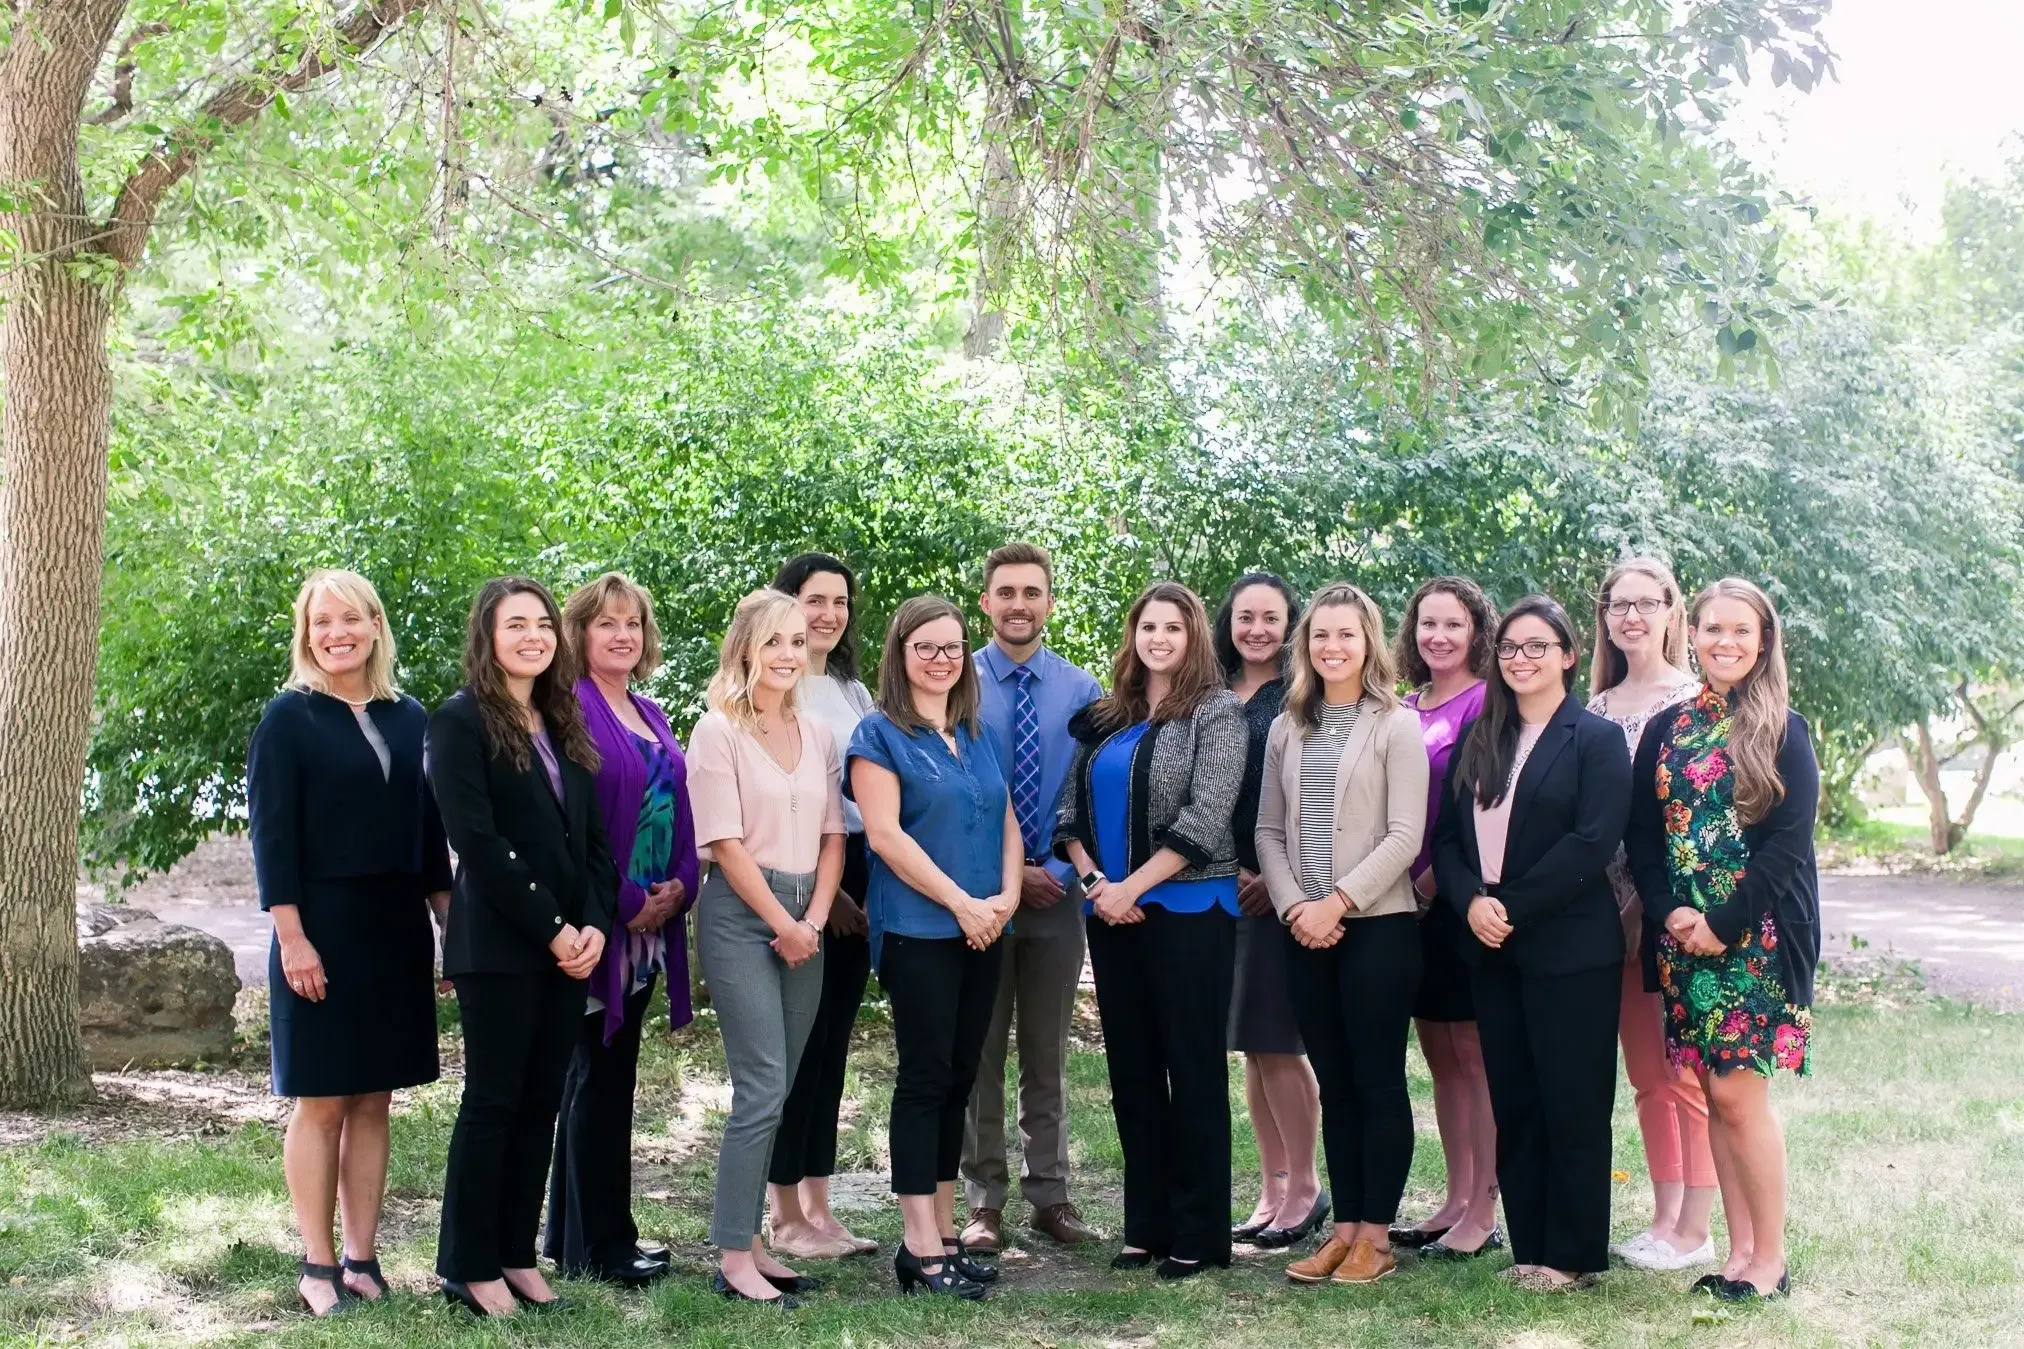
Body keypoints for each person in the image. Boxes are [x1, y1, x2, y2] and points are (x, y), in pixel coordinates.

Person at [248, 569, 453, 1316]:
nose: (336, 633)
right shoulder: (288, 718)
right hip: (320, 928)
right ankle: (317, 1264)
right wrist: (294, 939)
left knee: (375, 1098)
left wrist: (448, 923)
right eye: (320, 622)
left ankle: (364, 1259)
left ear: (375, 624)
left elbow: (430, 835)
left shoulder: (411, 717)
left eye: (350, 619)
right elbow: (272, 839)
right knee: (323, 1099)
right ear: (307, 634)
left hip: (395, 927)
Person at [428, 577, 617, 1317]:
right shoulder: (459, 721)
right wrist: (553, 927)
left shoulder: (561, 718)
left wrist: (595, 921)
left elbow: (594, 841)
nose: (534, 635)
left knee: (541, 1102)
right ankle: (468, 1265)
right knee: (495, 1102)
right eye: (517, 625)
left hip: (572, 945)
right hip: (502, 946)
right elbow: (476, 839)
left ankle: (514, 1253)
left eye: (543, 623)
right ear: (488, 635)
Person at [1628, 578, 1819, 1304]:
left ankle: (1769, 1260)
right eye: (1713, 629)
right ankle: (1737, 1254)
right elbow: (1643, 835)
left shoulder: (1784, 729)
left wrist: (1722, 923)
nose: (1726, 641)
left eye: (1742, 630)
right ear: (1693, 634)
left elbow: (1786, 848)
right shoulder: (1666, 728)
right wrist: (1671, 910)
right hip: (1684, 941)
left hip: (1758, 942)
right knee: (1711, 1090)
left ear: (1763, 640)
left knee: (1741, 1097)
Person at [1432, 595, 1631, 1294]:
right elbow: (1450, 841)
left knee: (1571, 1100)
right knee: (1515, 1097)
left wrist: (1506, 904)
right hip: (1490, 943)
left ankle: (1573, 1254)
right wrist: (1470, 903)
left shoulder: (1596, 738)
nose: (1521, 659)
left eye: (1537, 646)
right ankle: (1532, 1243)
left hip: (1570, 947)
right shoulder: (1482, 736)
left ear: (1569, 655)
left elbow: (1592, 841)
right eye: (1510, 648)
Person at [1056, 581, 1247, 1281]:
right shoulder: (1107, 717)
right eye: (1148, 626)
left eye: (1173, 626)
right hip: (1111, 915)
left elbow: (1207, 815)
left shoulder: (1217, 712)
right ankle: (1147, 1227)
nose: (1159, 637)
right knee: (1132, 1071)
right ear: (1132, 636)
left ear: (1193, 635)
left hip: (1191, 912)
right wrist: (1097, 885)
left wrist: (1132, 886)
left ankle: (1199, 1233)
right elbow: (1067, 813)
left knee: (1191, 1069)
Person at [1255, 582, 1428, 1288]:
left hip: (1378, 928)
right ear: (1306, 645)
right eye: (1320, 635)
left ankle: (1378, 1238)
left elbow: (1406, 833)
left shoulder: (1397, 724)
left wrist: (1340, 901)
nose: (1332, 647)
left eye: (1346, 635)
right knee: (1336, 1082)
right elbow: (1267, 829)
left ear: (1370, 643)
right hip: (1304, 931)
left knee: (1377, 1079)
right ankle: (1345, 1227)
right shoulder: (1286, 726)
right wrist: (1299, 904)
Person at [849, 595, 1022, 1299]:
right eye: (927, 646)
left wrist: (1006, 898)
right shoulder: (877, 733)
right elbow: (886, 837)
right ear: (900, 653)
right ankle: (918, 1245)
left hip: (987, 924)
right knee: (924, 1077)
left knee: (959, 1075)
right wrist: (960, 902)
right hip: (921, 928)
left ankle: (946, 1232)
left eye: (952, 646)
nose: (942, 658)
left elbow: (1009, 816)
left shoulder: (974, 730)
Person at [687, 589, 848, 1306]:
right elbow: (722, 841)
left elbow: (833, 835)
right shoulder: (716, 730)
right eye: (773, 641)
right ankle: (731, 1254)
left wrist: (811, 917)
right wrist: (780, 921)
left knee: (780, 1088)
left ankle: (753, 1238)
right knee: (759, 1086)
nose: (788, 653)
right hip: (739, 912)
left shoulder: (817, 733)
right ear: (746, 646)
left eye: (796, 641)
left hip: (806, 913)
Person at [543, 573, 700, 1286]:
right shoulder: (568, 710)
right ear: (579, 633)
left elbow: (675, 806)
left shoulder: (649, 709)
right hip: (598, 926)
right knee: (593, 1079)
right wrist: (628, 898)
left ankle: (583, 1237)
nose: (622, 635)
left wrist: (677, 889)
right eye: (606, 623)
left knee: (607, 1079)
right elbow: (577, 829)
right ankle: (597, 1246)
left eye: (633, 623)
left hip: (646, 927)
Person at [959, 543, 1104, 1257]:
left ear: (1049, 602)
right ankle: (984, 1199)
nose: (1019, 603)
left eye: (1032, 592)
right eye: (1006, 591)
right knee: (980, 1052)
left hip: (1055, 894)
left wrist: (1055, 870)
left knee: (1046, 1051)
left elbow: (1090, 793)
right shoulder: (954, 680)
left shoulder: (1082, 692)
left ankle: (1050, 1193)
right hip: (979, 897)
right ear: (985, 600)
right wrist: (1004, 877)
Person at [1586, 559, 1716, 1273]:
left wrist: (1653, 906)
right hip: (1602, 918)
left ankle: (1697, 1224)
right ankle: (1664, 1216)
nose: (1631, 615)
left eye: (1646, 602)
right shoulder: (1595, 707)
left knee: (1684, 1072)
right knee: (1644, 1075)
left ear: (1672, 610)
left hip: (1673, 914)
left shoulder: (1696, 701)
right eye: (1618, 603)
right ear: (1603, 616)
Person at [767, 554, 880, 1259]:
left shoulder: (851, 685)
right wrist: (824, 893)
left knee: (833, 1042)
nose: (829, 615)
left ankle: (819, 1203)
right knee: (795, 1048)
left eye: (840, 602)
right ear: (785, 605)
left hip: (860, 867)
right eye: (815, 600)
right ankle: (782, 1214)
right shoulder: (776, 686)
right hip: (803, 877)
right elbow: (782, 795)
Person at [1214, 573, 1327, 1249]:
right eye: (1245, 616)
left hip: (1278, 890)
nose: (1256, 628)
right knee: (1250, 1048)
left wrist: (1272, 874)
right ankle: (1272, 1184)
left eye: (1271, 618)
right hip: (1216, 885)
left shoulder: (1301, 697)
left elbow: (1308, 795)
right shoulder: (1211, 693)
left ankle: (1306, 1187)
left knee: (1280, 1043)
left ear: (1290, 626)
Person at [1391, 576, 1502, 1259]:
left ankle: (1485, 1206)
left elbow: (1476, 808)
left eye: (1453, 625)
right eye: (1428, 624)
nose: (1438, 636)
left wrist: (1434, 884)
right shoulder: (1405, 705)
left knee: (1474, 1054)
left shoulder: (1486, 703)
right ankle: (1455, 1196)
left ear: (1476, 632)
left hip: (1456, 898)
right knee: (1438, 1054)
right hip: (1403, 905)